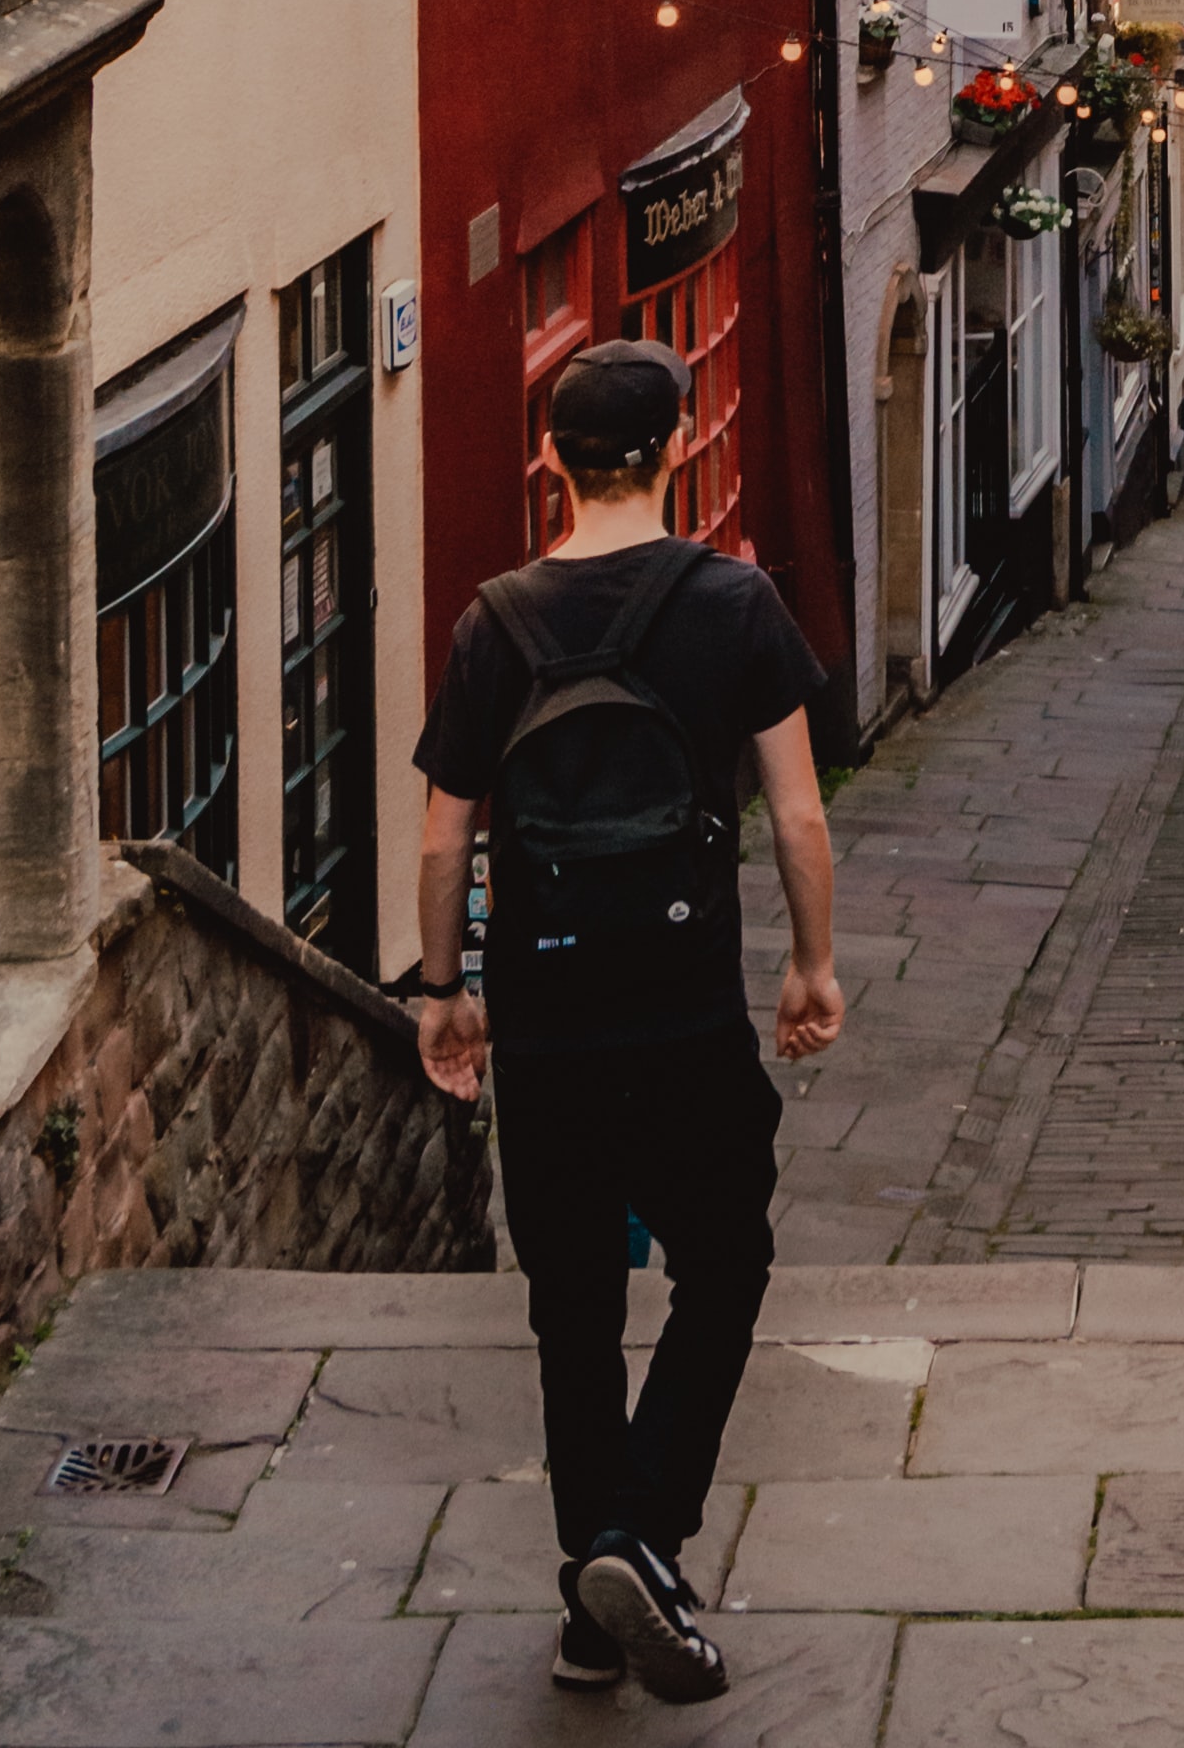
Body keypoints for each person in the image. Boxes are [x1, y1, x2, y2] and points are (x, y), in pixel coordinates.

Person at [413, 341, 843, 1705]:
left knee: (573, 1307)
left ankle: (596, 1619)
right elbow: (797, 812)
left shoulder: (497, 623)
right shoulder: (733, 605)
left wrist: (444, 989)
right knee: (722, 1266)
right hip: (683, 1017)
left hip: (545, 1022)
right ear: (671, 450)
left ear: (555, 458)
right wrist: (813, 966)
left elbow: (443, 836)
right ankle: (636, 1537)